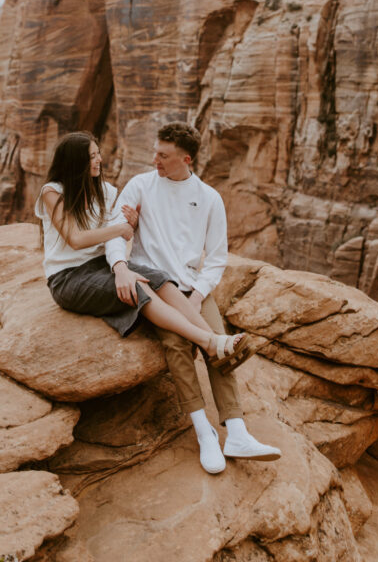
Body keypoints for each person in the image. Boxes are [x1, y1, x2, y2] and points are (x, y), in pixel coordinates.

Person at [104, 120, 281, 474]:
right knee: (175, 345)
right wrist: (120, 265)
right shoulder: (140, 185)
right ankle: (205, 433)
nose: (155, 159)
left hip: (193, 290)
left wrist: (198, 295)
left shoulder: (210, 198)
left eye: (164, 155)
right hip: (155, 286)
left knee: (220, 346)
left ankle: (238, 432)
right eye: (155, 152)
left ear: (186, 159)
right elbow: (114, 230)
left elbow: (216, 258)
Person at [35, 131, 253, 368]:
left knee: (159, 278)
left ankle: (218, 342)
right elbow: (76, 239)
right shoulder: (53, 191)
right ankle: (208, 342)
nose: (99, 160)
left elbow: (123, 229)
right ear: (76, 161)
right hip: (68, 277)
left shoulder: (106, 192)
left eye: (98, 154)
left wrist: (132, 225)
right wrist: (120, 229)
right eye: (92, 156)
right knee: (137, 288)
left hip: (99, 266)